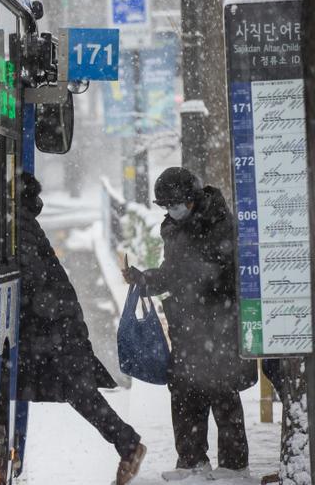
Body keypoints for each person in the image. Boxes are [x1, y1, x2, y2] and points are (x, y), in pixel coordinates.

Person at [123, 167, 257, 481]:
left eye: (176, 203)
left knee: (220, 386)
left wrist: (177, 279)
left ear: (192, 198)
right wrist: (144, 279)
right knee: (184, 389)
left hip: (219, 320)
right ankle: (191, 460)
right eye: (166, 205)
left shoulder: (220, 224)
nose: (172, 210)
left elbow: (208, 271)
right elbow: (174, 271)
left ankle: (235, 465)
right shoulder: (173, 228)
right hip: (186, 322)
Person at [16, 172, 146, 485]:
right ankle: (127, 444)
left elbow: (31, 278)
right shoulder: (22, 222)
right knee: (75, 390)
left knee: (76, 390)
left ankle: (128, 444)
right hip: (53, 324)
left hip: (50, 328)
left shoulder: (17, 226)